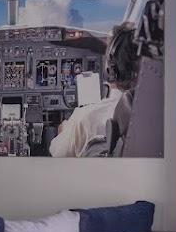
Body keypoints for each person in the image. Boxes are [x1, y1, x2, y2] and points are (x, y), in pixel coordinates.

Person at [48, 23, 140, 158]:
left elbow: (57, 153)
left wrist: (63, 131)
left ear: (111, 70)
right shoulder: (156, 111)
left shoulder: (85, 118)